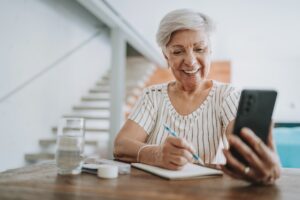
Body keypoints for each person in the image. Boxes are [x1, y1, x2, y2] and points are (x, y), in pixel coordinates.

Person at [113, 9, 280, 184]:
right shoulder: (152, 96)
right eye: (178, 52)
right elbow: (121, 146)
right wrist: (157, 155)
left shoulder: (226, 95)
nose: (191, 61)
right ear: (166, 57)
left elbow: (245, 152)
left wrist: (259, 161)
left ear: (210, 51)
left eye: (199, 49)